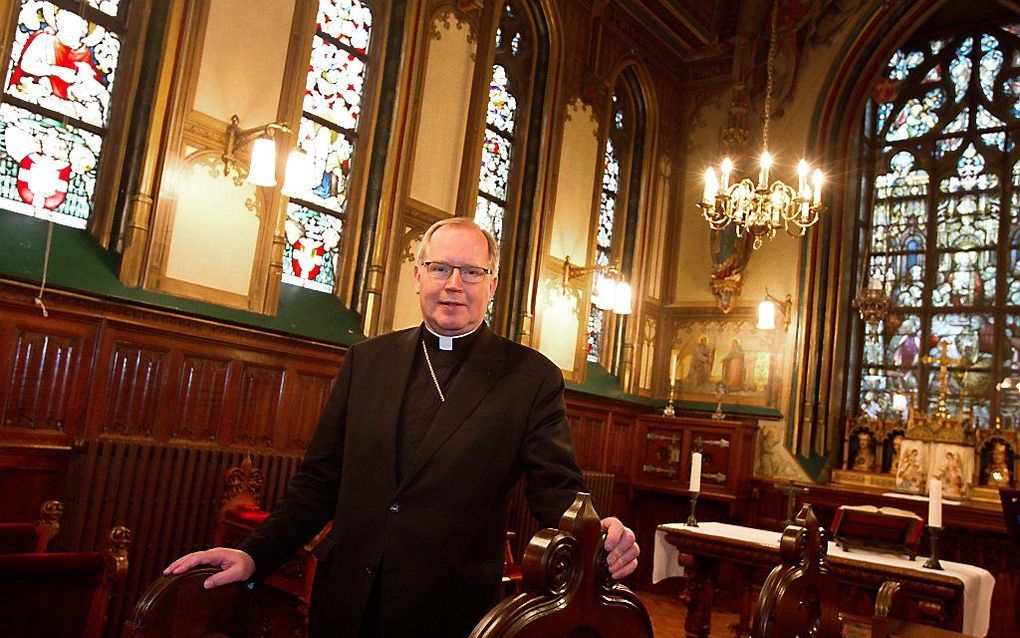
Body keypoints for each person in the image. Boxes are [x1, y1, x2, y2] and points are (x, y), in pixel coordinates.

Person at [164, 218, 639, 637]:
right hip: (345, 601)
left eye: (472, 272)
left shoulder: (529, 377)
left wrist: (599, 534)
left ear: (492, 285)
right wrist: (254, 555)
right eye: (440, 268)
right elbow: (318, 482)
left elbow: (557, 491)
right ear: (418, 276)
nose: (454, 283)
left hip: (448, 610)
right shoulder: (367, 361)